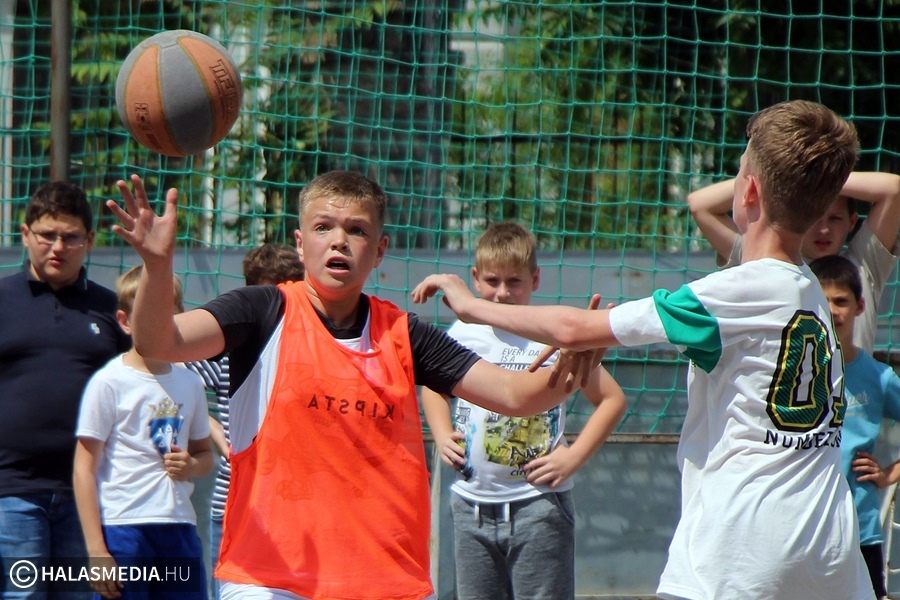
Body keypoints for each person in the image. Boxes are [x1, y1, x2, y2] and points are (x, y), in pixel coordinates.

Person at [412, 100, 875, 599]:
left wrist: (471, 306)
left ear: (750, 191)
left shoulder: (733, 293)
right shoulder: (809, 289)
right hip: (830, 549)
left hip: (743, 552)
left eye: (740, 168)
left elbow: (571, 328)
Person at [104, 170, 599, 600]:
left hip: (382, 579)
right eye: (323, 227)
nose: (339, 240)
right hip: (269, 576)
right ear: (301, 244)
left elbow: (516, 395)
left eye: (356, 230)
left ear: (379, 249)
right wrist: (156, 264)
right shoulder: (260, 311)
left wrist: (584, 350)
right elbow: (160, 342)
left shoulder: (404, 334)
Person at [420, 221, 626, 600]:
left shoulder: (553, 336)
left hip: (538, 507)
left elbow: (612, 400)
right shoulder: (462, 334)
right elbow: (433, 386)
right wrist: (440, 430)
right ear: (474, 279)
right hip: (471, 506)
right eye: (492, 281)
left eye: (513, 281)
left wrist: (573, 457)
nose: (501, 293)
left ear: (535, 280)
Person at [0, 182, 131, 600]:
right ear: (25, 235)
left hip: (89, 495)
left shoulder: (112, 310)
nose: (58, 246)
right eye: (46, 235)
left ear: (90, 241)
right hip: (11, 491)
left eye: (71, 236)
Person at [73, 265, 214, 600]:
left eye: (166, 312)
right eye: (147, 312)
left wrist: (192, 466)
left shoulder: (191, 383)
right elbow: (84, 468)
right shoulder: (109, 381)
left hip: (179, 527)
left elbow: (205, 454)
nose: (157, 320)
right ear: (124, 320)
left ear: (181, 316)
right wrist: (97, 549)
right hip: (124, 528)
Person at [185, 242, 305, 600]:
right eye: (269, 293)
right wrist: (216, 432)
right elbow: (173, 380)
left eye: (287, 294)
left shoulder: (310, 348)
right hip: (237, 508)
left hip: (298, 509)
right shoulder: (230, 348)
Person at [686, 170, 900, 352]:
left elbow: (893, 188)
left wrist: (819, 178)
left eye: (834, 219)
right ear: (799, 217)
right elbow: (700, 204)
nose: (824, 230)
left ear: (852, 222)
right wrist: (786, 177)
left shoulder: (863, 265)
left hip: (853, 400)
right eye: (815, 217)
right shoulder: (764, 260)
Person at [809, 254, 900, 600]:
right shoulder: (791, 373)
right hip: (804, 528)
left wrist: (890, 473)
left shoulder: (878, 378)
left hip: (859, 532)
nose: (832, 310)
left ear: (860, 306)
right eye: (822, 300)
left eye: (841, 301)